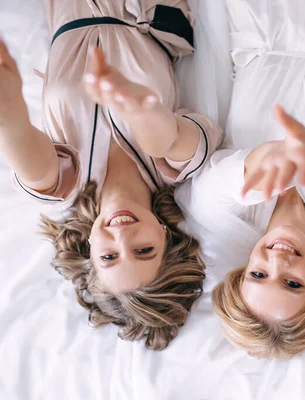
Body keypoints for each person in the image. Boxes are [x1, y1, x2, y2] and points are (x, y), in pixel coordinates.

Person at [0, 0, 222, 350]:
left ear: (89, 250)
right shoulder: (175, 168)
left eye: (109, 256)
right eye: (143, 249)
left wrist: (8, 115)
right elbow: (168, 136)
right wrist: (135, 106)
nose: (122, 237)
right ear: (166, 237)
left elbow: (30, 161)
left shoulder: (67, 182)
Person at [176, 0, 305, 359]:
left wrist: (277, 156)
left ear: (243, 270)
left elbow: (223, 180)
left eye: (258, 275)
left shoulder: (223, 214)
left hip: (260, 20)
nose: (277, 262)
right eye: (292, 283)